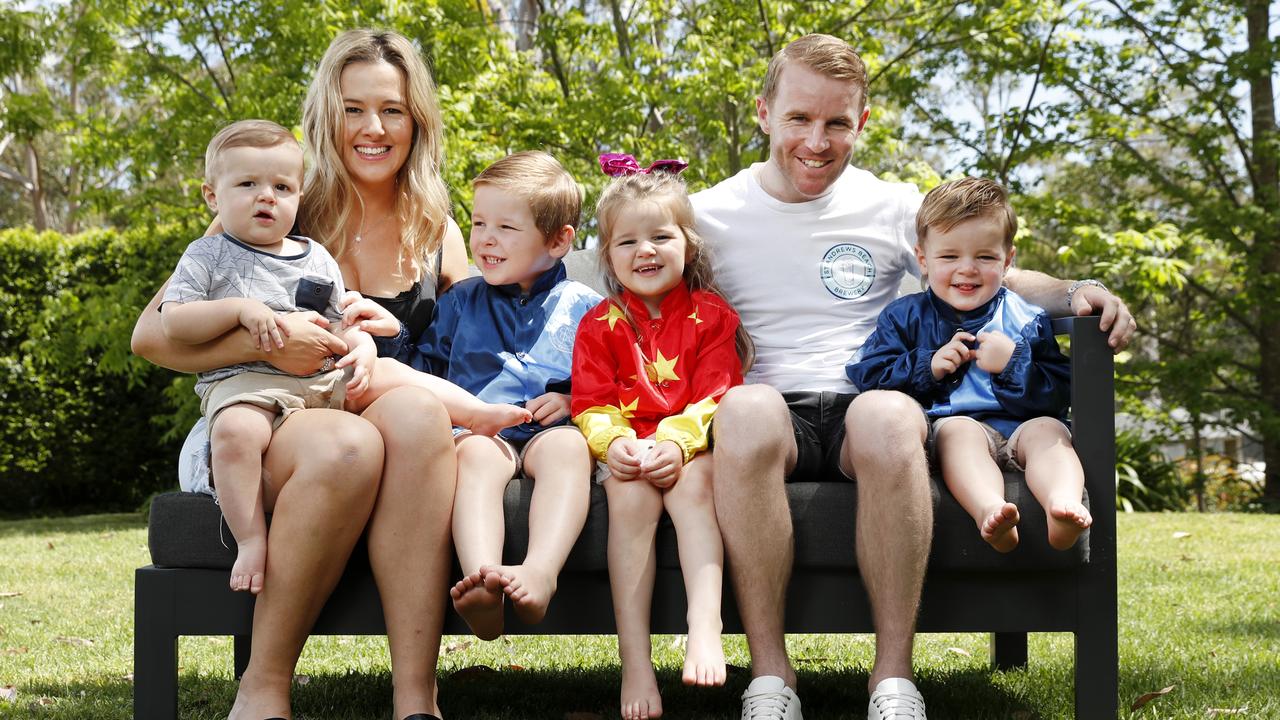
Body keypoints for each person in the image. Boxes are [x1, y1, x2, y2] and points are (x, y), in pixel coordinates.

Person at [690, 34, 1137, 720]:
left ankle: (892, 680)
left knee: (895, 413)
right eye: (799, 119)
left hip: (868, 403)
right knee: (745, 408)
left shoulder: (894, 206)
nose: (818, 140)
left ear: (862, 123)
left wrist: (1079, 290)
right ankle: (772, 678)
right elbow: (618, 283)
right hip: (766, 410)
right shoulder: (708, 215)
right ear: (763, 113)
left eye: (838, 122)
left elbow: (989, 269)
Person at [132, 29, 467, 720]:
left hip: (379, 409)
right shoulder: (280, 203)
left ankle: (415, 699)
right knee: (348, 444)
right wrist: (271, 349)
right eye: (353, 109)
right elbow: (150, 338)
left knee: (415, 415)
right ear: (326, 116)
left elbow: (477, 347)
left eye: (393, 110)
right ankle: (264, 686)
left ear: (417, 121)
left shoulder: (437, 227)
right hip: (271, 415)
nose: (373, 128)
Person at [159, 119, 379, 596]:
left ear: (299, 198)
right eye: (248, 184)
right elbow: (174, 322)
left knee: (395, 388)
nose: (267, 196)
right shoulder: (207, 255)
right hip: (246, 383)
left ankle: (467, 421)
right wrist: (240, 308)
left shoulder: (315, 256)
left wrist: (362, 343)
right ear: (212, 197)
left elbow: (340, 322)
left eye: (282, 186)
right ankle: (251, 539)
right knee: (236, 430)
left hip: (318, 381)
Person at [571, 155, 752, 720]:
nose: (643, 251)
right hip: (628, 445)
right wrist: (613, 444)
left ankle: (705, 624)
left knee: (695, 490)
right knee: (628, 499)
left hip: (693, 444)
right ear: (607, 255)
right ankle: (636, 661)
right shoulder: (599, 323)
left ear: (688, 246)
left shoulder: (711, 315)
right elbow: (590, 399)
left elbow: (718, 390)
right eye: (626, 242)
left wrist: (675, 444)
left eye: (660, 236)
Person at [398, 150, 600, 641]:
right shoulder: (461, 301)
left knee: (570, 449)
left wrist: (575, 400)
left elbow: (615, 382)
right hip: (482, 429)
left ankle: (540, 572)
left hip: (552, 430)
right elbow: (424, 370)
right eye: (480, 222)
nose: (486, 238)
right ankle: (484, 580)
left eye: (507, 228)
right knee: (474, 459)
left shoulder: (587, 308)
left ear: (558, 241)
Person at [846, 177, 1092, 555]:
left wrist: (1015, 363)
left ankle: (1062, 505)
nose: (967, 269)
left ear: (1007, 259)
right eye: (949, 257)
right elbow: (869, 374)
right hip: (955, 430)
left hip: (1022, 429)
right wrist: (927, 365)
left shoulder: (1027, 318)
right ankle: (990, 510)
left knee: (1049, 431)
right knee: (958, 433)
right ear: (923, 259)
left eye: (985, 257)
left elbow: (1059, 391)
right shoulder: (905, 317)